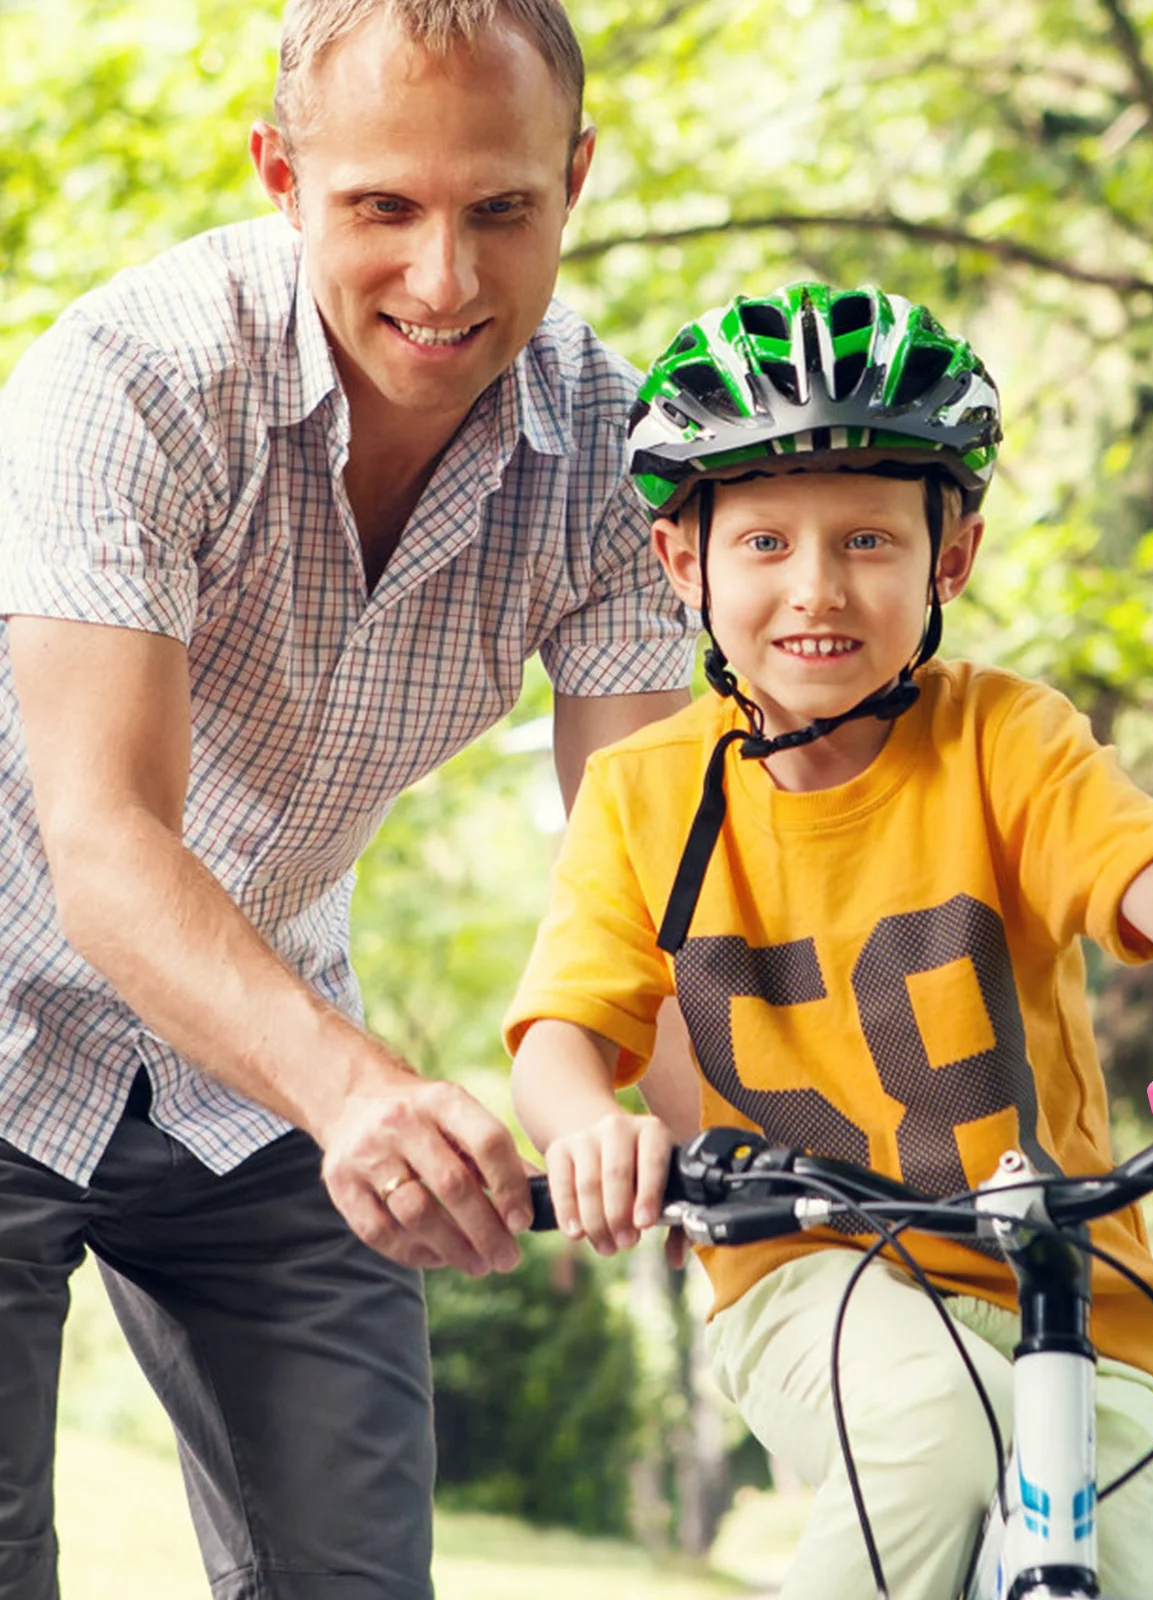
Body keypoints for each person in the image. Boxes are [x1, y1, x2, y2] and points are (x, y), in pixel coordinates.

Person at [502, 281, 1153, 1600]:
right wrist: (589, 1130)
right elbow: (563, 1031)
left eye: (868, 541)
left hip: (1081, 1296)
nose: (818, 588)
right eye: (764, 547)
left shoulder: (1005, 740)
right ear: (683, 563)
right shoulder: (648, 794)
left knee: (1128, 1569)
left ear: (949, 560)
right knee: (929, 1434)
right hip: (814, 1278)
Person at [0, 1, 696, 1596]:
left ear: (576, 180)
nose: (443, 281)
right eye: (383, 206)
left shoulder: (614, 458)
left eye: (500, 209)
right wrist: (363, 1094)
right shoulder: (133, 379)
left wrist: (812, 1181)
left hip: (254, 1081)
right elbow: (101, 850)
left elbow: (639, 879)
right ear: (282, 176)